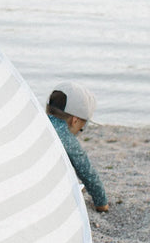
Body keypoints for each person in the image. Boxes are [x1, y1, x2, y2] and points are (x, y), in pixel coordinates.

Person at [45, 81, 110, 212]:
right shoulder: (66, 138)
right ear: (75, 121)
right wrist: (101, 203)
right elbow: (88, 174)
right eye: (82, 127)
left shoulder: (37, 120)